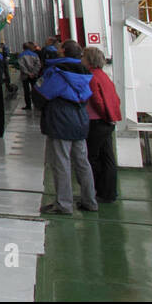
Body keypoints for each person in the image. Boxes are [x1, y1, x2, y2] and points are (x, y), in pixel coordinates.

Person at [35, 40, 97, 215]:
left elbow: (42, 93)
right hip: (80, 119)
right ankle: (89, 200)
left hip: (61, 120)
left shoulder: (58, 72)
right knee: (82, 162)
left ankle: (64, 204)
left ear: (62, 51)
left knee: (61, 162)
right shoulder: (85, 72)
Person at [83, 46, 122, 204]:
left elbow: (97, 101)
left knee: (92, 157)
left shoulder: (91, 77)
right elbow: (115, 98)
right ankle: (110, 192)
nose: (81, 60)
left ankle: (98, 191)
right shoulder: (103, 76)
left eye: (83, 57)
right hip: (107, 121)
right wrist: (110, 117)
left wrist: (104, 116)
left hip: (96, 122)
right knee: (108, 158)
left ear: (89, 60)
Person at [17, 41, 42, 111]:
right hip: (34, 75)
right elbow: (38, 65)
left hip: (25, 76)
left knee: (26, 91)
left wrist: (28, 73)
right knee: (35, 90)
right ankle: (36, 104)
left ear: (23, 48)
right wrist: (33, 73)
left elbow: (21, 66)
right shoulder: (35, 55)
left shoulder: (21, 55)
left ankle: (28, 105)